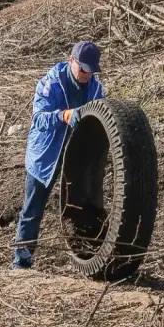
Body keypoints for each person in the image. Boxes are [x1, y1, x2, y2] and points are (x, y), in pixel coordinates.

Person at [11, 40, 105, 269]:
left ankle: (84, 254)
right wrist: (63, 116)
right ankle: (21, 262)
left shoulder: (96, 87)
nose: (86, 74)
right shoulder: (51, 83)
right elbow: (38, 119)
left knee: (80, 206)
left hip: (75, 156)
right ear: (71, 60)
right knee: (32, 210)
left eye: (91, 70)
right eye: (83, 68)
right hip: (45, 156)